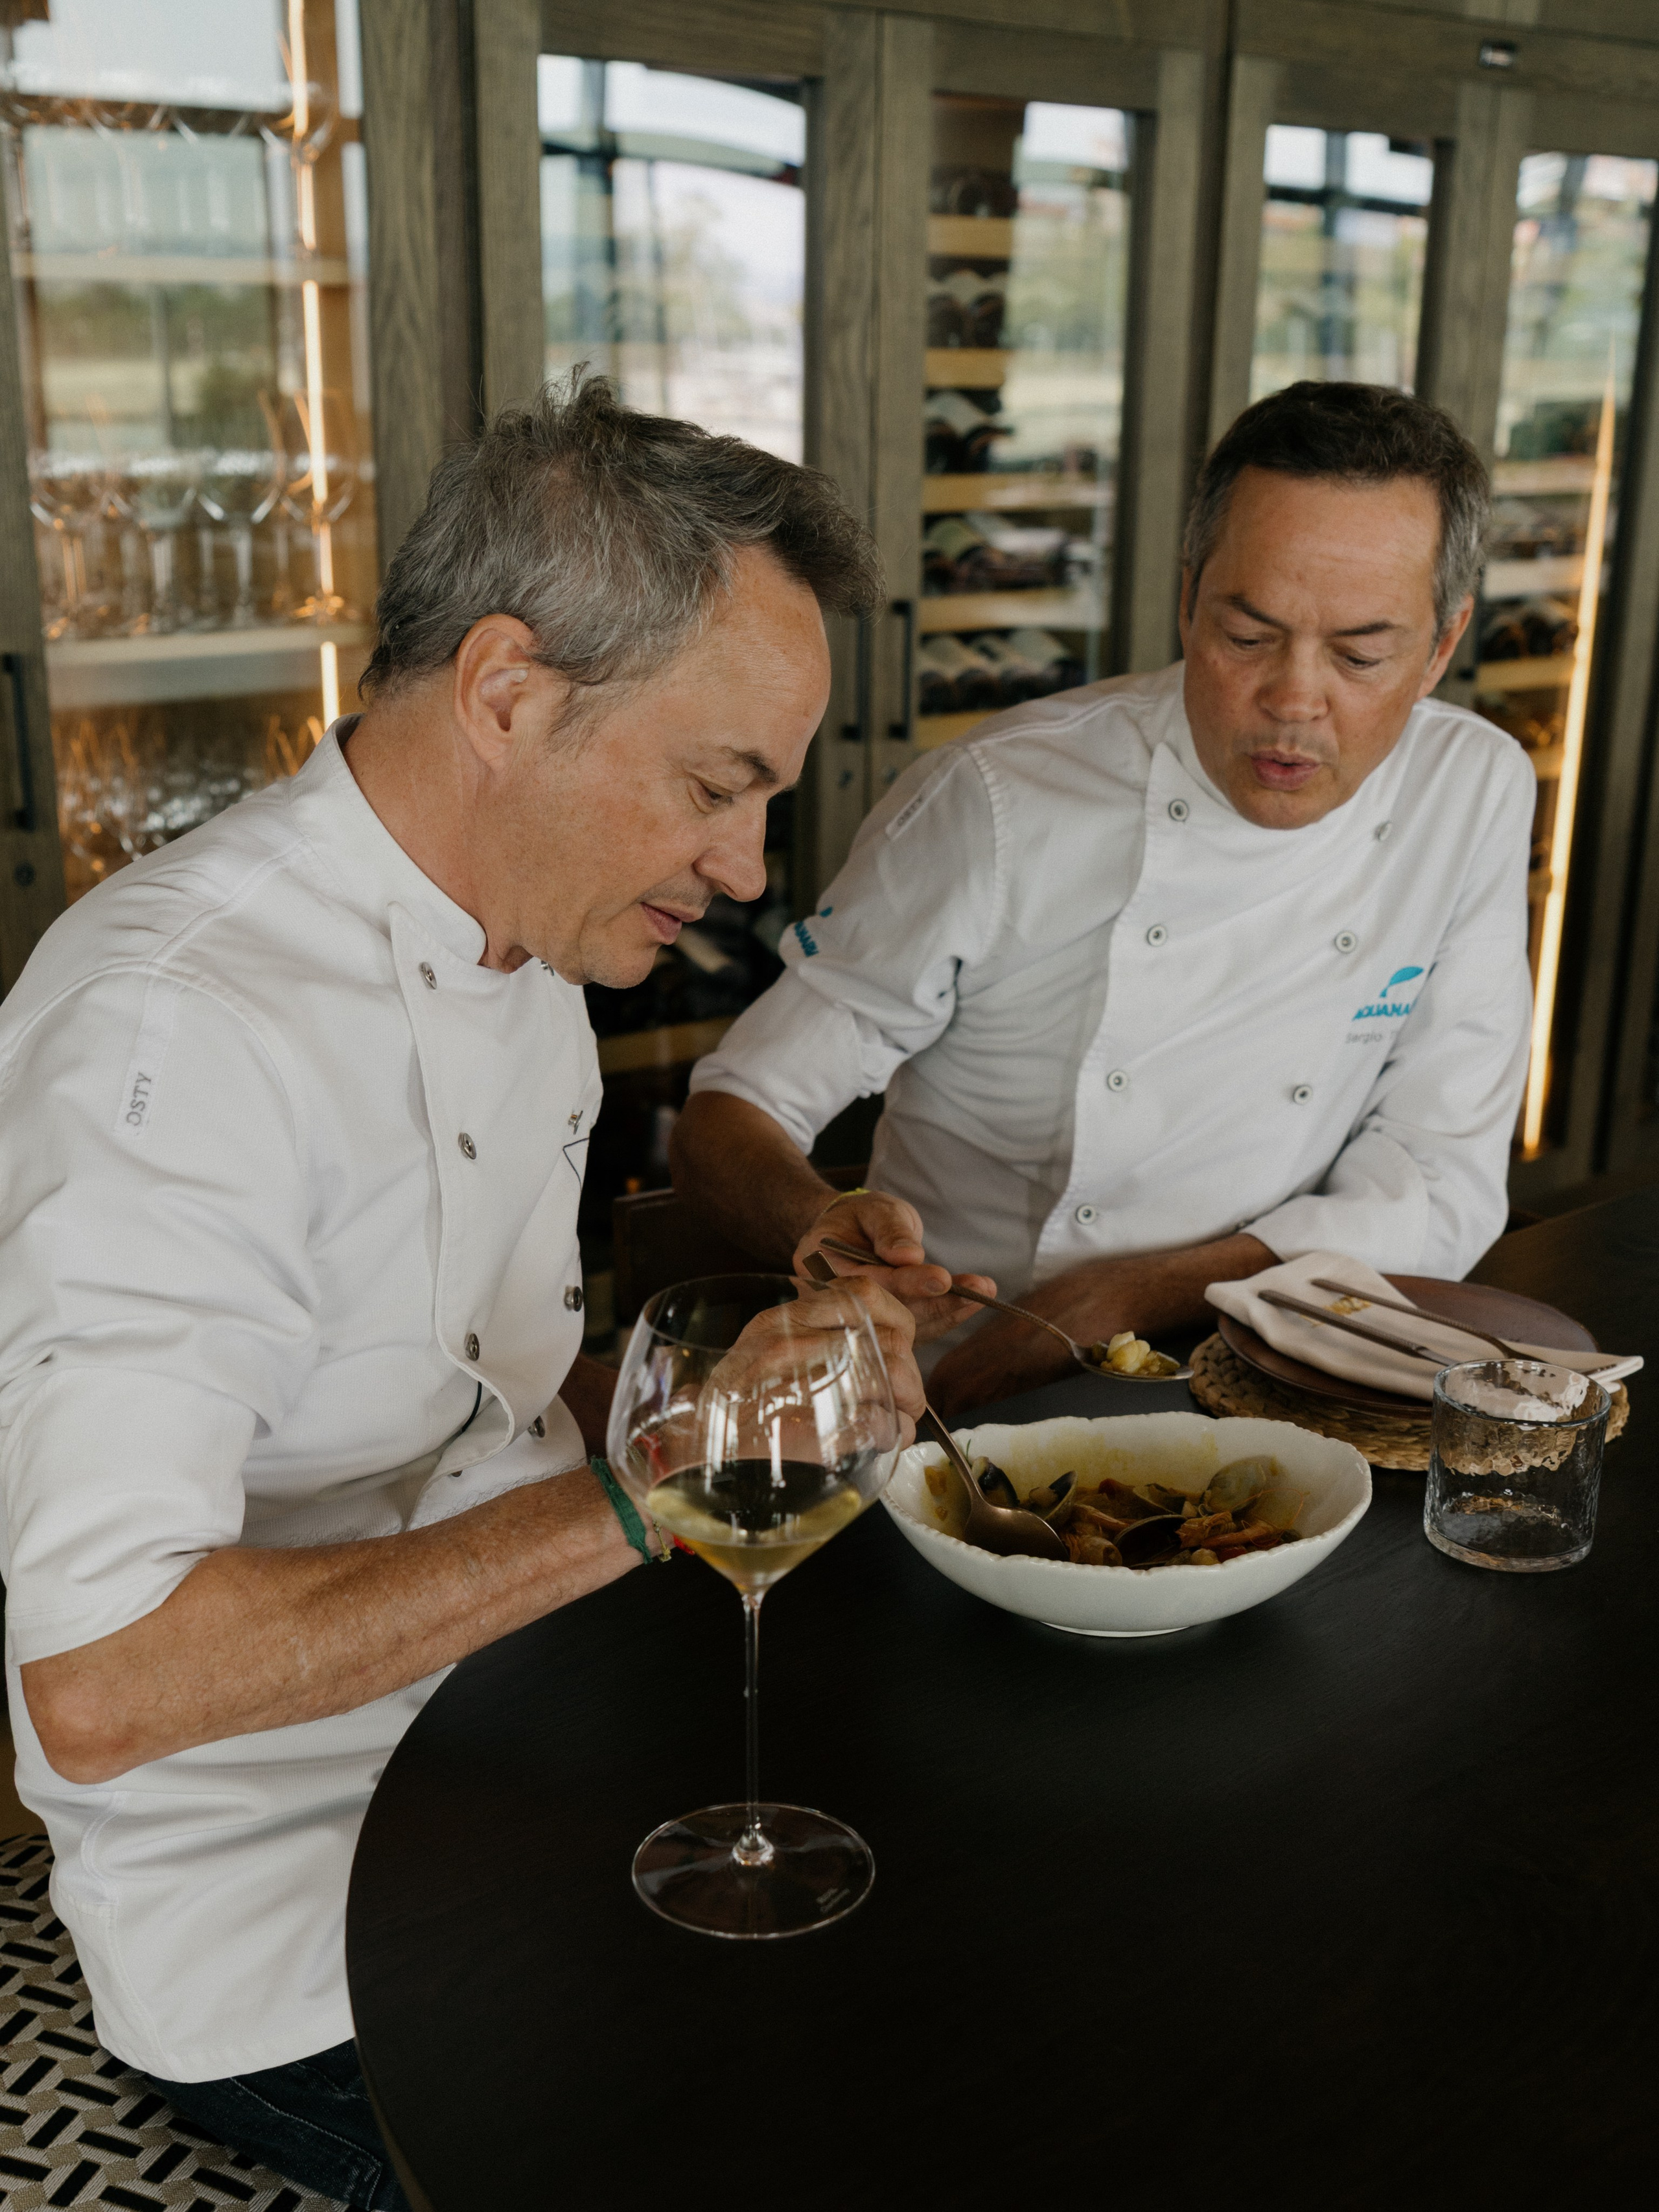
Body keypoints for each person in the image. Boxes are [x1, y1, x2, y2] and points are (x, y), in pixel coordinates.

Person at [0, 375, 942, 2208]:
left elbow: (472, 1408)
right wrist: (659, 1483)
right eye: (714, 783)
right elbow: (101, 1685)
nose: (752, 870)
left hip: (531, 1757)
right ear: (508, 690)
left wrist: (706, 1383)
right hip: (295, 1919)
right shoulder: (175, 1027)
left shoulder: (526, 954)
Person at [674, 382, 1536, 1418]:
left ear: (1444, 644)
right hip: (955, 1392)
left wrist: (1129, 1292)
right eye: (1249, 633)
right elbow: (731, 1115)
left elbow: (1442, 1168)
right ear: (1187, 599)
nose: (1295, 700)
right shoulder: (996, 803)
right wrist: (821, 1223)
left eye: (1361, 653)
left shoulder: (1473, 787)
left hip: (1280, 1361)